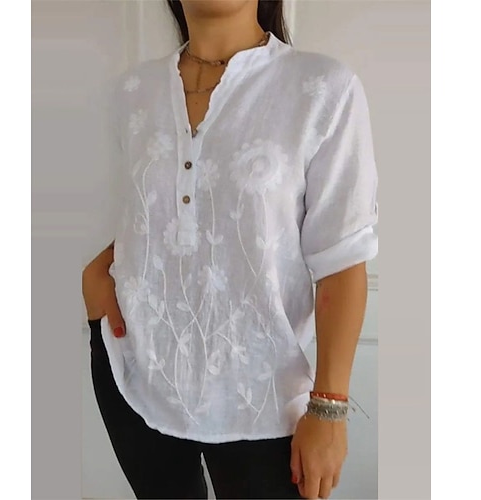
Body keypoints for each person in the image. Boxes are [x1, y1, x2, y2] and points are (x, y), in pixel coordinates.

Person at [82, 1, 378, 499]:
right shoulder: (132, 93)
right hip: (135, 375)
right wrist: (95, 276)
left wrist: (329, 407)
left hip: (263, 396)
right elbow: (153, 216)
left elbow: (342, 258)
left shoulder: (321, 88)